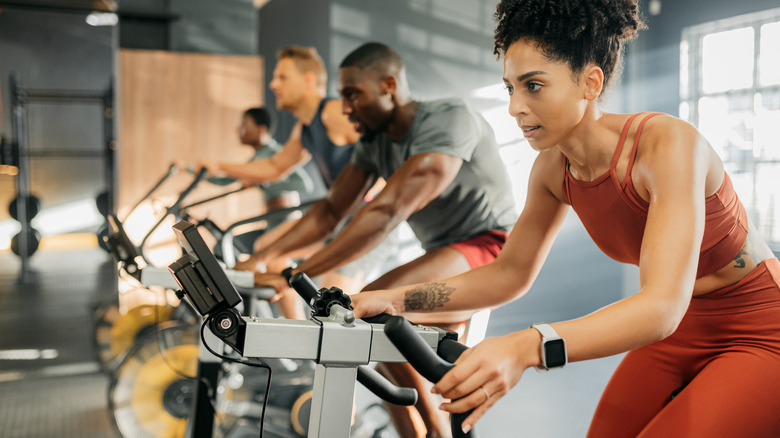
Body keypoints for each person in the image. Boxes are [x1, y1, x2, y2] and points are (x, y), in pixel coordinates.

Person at [350, 1, 780, 437]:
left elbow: (662, 306)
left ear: (590, 83)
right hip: (679, 332)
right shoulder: (553, 169)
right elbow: (508, 274)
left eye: (533, 86)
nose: (515, 107)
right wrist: (395, 298)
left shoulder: (666, 145)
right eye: (510, 88)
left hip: (759, 326)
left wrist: (526, 346)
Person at [253, 42, 517, 438]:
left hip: (493, 248)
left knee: (375, 305)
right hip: (446, 253)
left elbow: (386, 211)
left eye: (353, 95)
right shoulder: (374, 143)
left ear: (389, 85)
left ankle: (436, 433)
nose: (344, 109)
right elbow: (329, 212)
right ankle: (424, 433)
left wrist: (296, 274)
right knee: (379, 340)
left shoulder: (448, 119)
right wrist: (265, 258)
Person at [208, 46, 397, 320]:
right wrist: (218, 166)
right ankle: (296, 344)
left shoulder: (332, 112)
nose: (274, 84)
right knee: (267, 251)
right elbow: (275, 166)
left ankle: (310, 341)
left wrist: (371, 195)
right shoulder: (305, 127)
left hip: (368, 227)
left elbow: (385, 148)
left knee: (334, 314)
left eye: (282, 77)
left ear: (309, 80)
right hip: (337, 221)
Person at [202, 107, 314, 213]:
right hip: (269, 216)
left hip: (285, 217)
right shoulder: (255, 159)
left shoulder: (277, 153)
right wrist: (195, 171)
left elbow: (304, 185)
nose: (238, 129)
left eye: (244, 125)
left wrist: (263, 183)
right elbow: (224, 180)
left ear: (261, 129)